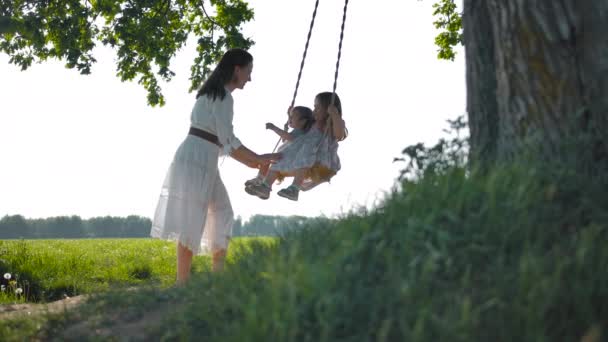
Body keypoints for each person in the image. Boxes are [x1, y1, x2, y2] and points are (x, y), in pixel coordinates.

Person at [150, 48, 279, 284]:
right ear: (237, 69)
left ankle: (216, 280)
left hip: (202, 158)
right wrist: (258, 159)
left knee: (223, 212)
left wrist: (256, 161)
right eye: (249, 71)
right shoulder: (222, 97)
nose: (250, 78)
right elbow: (228, 140)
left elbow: (225, 143)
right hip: (196, 160)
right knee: (193, 220)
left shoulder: (214, 94)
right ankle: (182, 284)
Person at [246, 92, 347, 201]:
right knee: (279, 158)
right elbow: (296, 125)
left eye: (317, 108)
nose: (314, 111)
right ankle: (265, 186)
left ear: (329, 110)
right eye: (314, 107)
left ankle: (294, 188)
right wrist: (290, 115)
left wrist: (335, 115)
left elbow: (339, 135)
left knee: (306, 153)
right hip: (299, 155)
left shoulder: (330, 125)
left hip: (318, 159)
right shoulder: (311, 124)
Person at [244, 105, 315, 198]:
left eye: (292, 117)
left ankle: (261, 181)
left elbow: (288, 137)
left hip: (290, 159)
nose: (290, 119)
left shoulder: (301, 132)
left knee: (268, 161)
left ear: (303, 121)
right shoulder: (298, 131)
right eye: (290, 116)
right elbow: (285, 140)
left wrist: (274, 128)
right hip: (286, 158)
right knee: (272, 168)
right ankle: (264, 187)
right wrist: (288, 116)